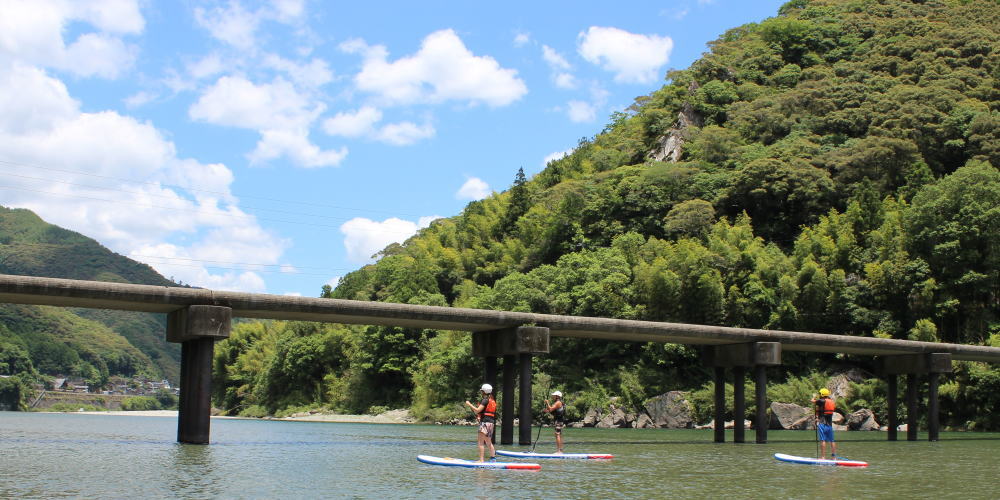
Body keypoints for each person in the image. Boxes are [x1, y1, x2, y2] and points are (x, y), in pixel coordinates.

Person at [464, 383, 497, 462]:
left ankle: (481, 460)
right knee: (489, 442)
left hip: (485, 423)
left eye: (482, 391)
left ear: (484, 391)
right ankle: (493, 459)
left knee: (480, 442)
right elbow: (483, 412)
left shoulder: (485, 400)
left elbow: (478, 410)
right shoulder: (492, 401)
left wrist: (469, 404)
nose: (481, 392)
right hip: (491, 423)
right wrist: (480, 416)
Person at [811, 388, 838, 459]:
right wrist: (817, 416)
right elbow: (821, 409)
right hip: (829, 425)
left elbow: (812, 401)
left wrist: (814, 396)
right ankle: (834, 457)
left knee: (823, 440)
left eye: (820, 394)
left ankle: (823, 457)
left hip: (822, 424)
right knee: (832, 441)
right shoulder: (832, 401)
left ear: (822, 394)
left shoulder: (821, 401)